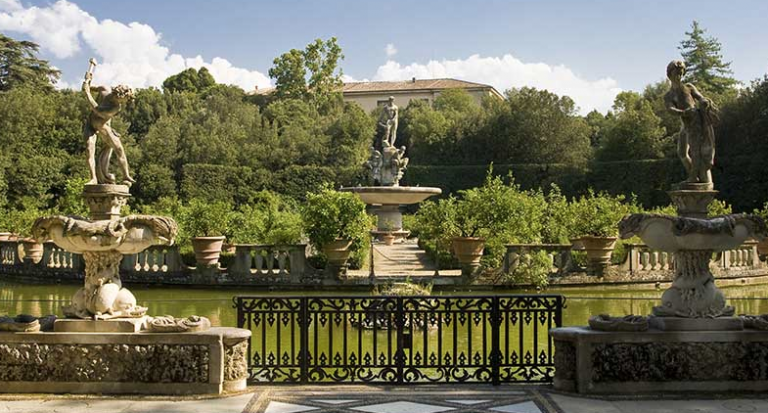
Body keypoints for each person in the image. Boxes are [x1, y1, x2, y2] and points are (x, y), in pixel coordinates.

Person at [664, 60, 719, 189]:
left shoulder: (688, 87)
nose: (679, 75)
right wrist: (683, 112)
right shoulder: (669, 95)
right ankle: (694, 176)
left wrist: (705, 101)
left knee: (695, 150)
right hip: (685, 122)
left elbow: (700, 97)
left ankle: (695, 177)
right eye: (676, 73)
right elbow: (670, 109)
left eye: (681, 73)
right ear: (670, 74)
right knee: (682, 152)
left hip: (695, 120)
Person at [82, 59, 135, 186]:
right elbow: (89, 87)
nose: (123, 103)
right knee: (90, 149)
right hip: (91, 125)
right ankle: (93, 178)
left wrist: (87, 93)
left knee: (119, 149)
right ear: (118, 95)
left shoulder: (115, 108)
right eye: (124, 99)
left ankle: (126, 176)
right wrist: (88, 82)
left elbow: (97, 109)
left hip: (103, 126)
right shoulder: (104, 89)